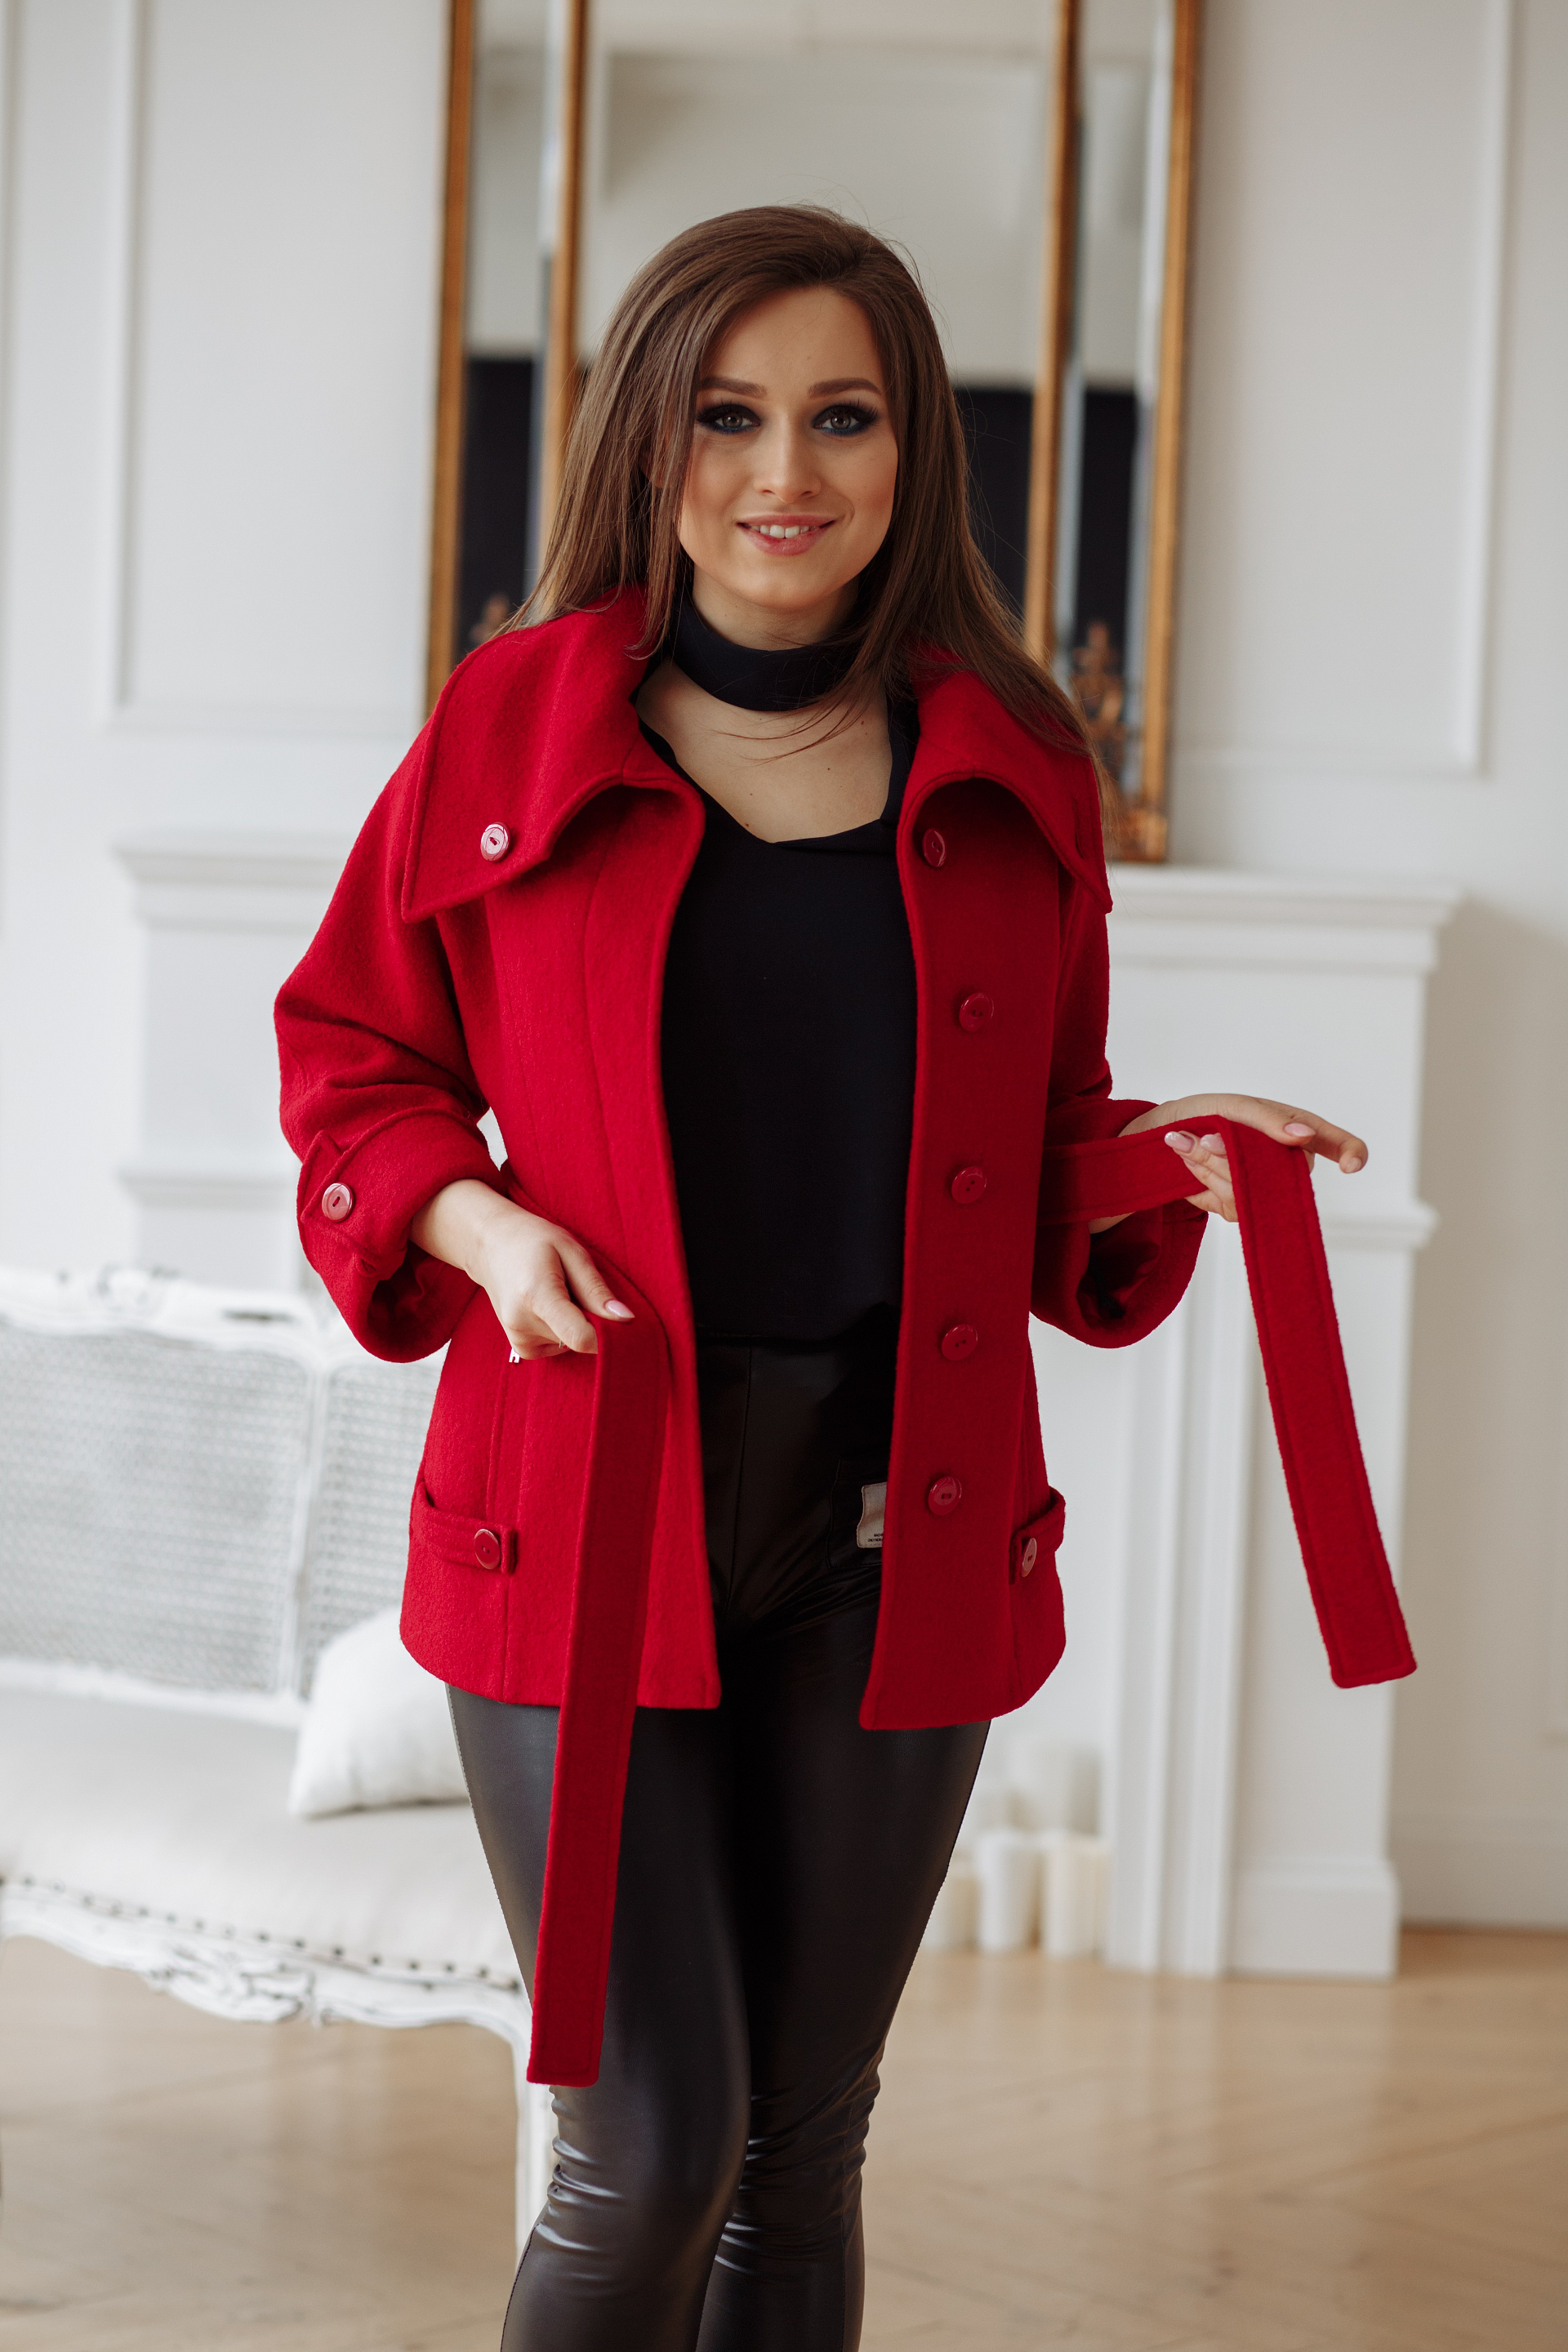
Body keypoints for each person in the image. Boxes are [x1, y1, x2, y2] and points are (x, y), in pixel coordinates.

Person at [276, 207, 1368, 2352]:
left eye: (843, 417)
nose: (786, 471)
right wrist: (478, 1222)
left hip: (898, 1529)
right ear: (649, 441)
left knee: (800, 2150)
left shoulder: (1013, 757)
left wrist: (1167, 1155)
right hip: (580, 1519)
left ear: (910, 447)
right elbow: (355, 1057)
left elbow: (1028, 1149)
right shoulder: (511, 726)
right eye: (729, 415)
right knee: (651, 2147)